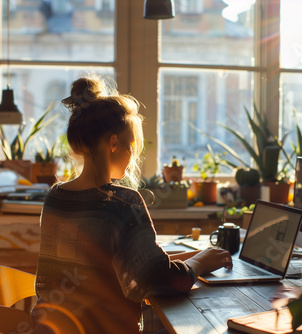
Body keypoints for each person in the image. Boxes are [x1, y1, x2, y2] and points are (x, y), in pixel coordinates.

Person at [32, 76, 232, 333]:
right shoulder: (121, 202)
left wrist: (196, 254)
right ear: (114, 143)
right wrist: (203, 262)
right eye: (130, 144)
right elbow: (161, 280)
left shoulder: (55, 198)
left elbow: (115, 265)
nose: (132, 154)